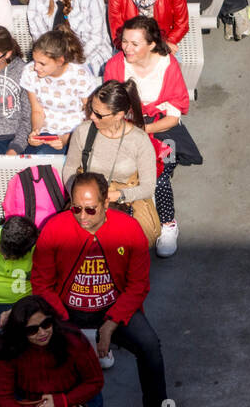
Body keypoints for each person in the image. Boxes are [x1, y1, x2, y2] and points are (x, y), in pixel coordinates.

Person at [29, 174, 185, 407]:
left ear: (106, 202)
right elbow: (41, 283)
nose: (82, 216)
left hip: (113, 308)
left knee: (150, 347)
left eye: (91, 209)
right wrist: (64, 323)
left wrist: (112, 323)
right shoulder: (54, 228)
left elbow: (139, 285)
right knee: (44, 347)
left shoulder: (128, 228)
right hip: (67, 311)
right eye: (75, 208)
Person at [102, 19, 189, 252]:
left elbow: (172, 117)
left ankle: (168, 224)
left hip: (162, 130)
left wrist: (142, 131)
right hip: (123, 126)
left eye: (134, 43)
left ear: (151, 45)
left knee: (159, 177)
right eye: (124, 42)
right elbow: (109, 106)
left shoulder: (168, 66)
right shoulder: (115, 65)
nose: (127, 48)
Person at [0, 295, 105, 407]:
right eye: (32, 330)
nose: (42, 332)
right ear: (19, 332)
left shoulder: (73, 340)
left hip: (76, 399)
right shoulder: (8, 348)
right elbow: (1, 396)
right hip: (29, 402)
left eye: (46, 324)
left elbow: (95, 382)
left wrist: (61, 401)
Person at [63, 81, 159, 235]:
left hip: (125, 201)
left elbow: (148, 187)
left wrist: (117, 196)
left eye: (99, 114)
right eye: (91, 110)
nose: (92, 116)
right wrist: (76, 195)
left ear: (119, 115)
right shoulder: (83, 132)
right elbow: (70, 168)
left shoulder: (139, 140)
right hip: (86, 199)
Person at [29, 0, 112, 74]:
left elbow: (96, 39)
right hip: (49, 54)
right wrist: (50, 58)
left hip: (87, 56)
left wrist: (69, 62)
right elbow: (37, 30)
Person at [20, 28, 95, 156]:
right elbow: (37, 110)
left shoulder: (80, 75)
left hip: (75, 131)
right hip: (47, 131)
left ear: (60, 61)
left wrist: (67, 138)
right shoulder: (30, 72)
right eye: (35, 60)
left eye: (42, 64)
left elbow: (90, 114)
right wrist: (36, 131)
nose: (36, 67)